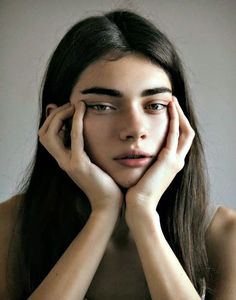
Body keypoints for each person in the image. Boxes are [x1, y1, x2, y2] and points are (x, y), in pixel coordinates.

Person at [0, 9, 235, 300]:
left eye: (155, 105)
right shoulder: (10, 227)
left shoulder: (226, 236)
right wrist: (103, 211)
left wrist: (144, 212)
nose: (135, 130)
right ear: (58, 123)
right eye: (102, 106)